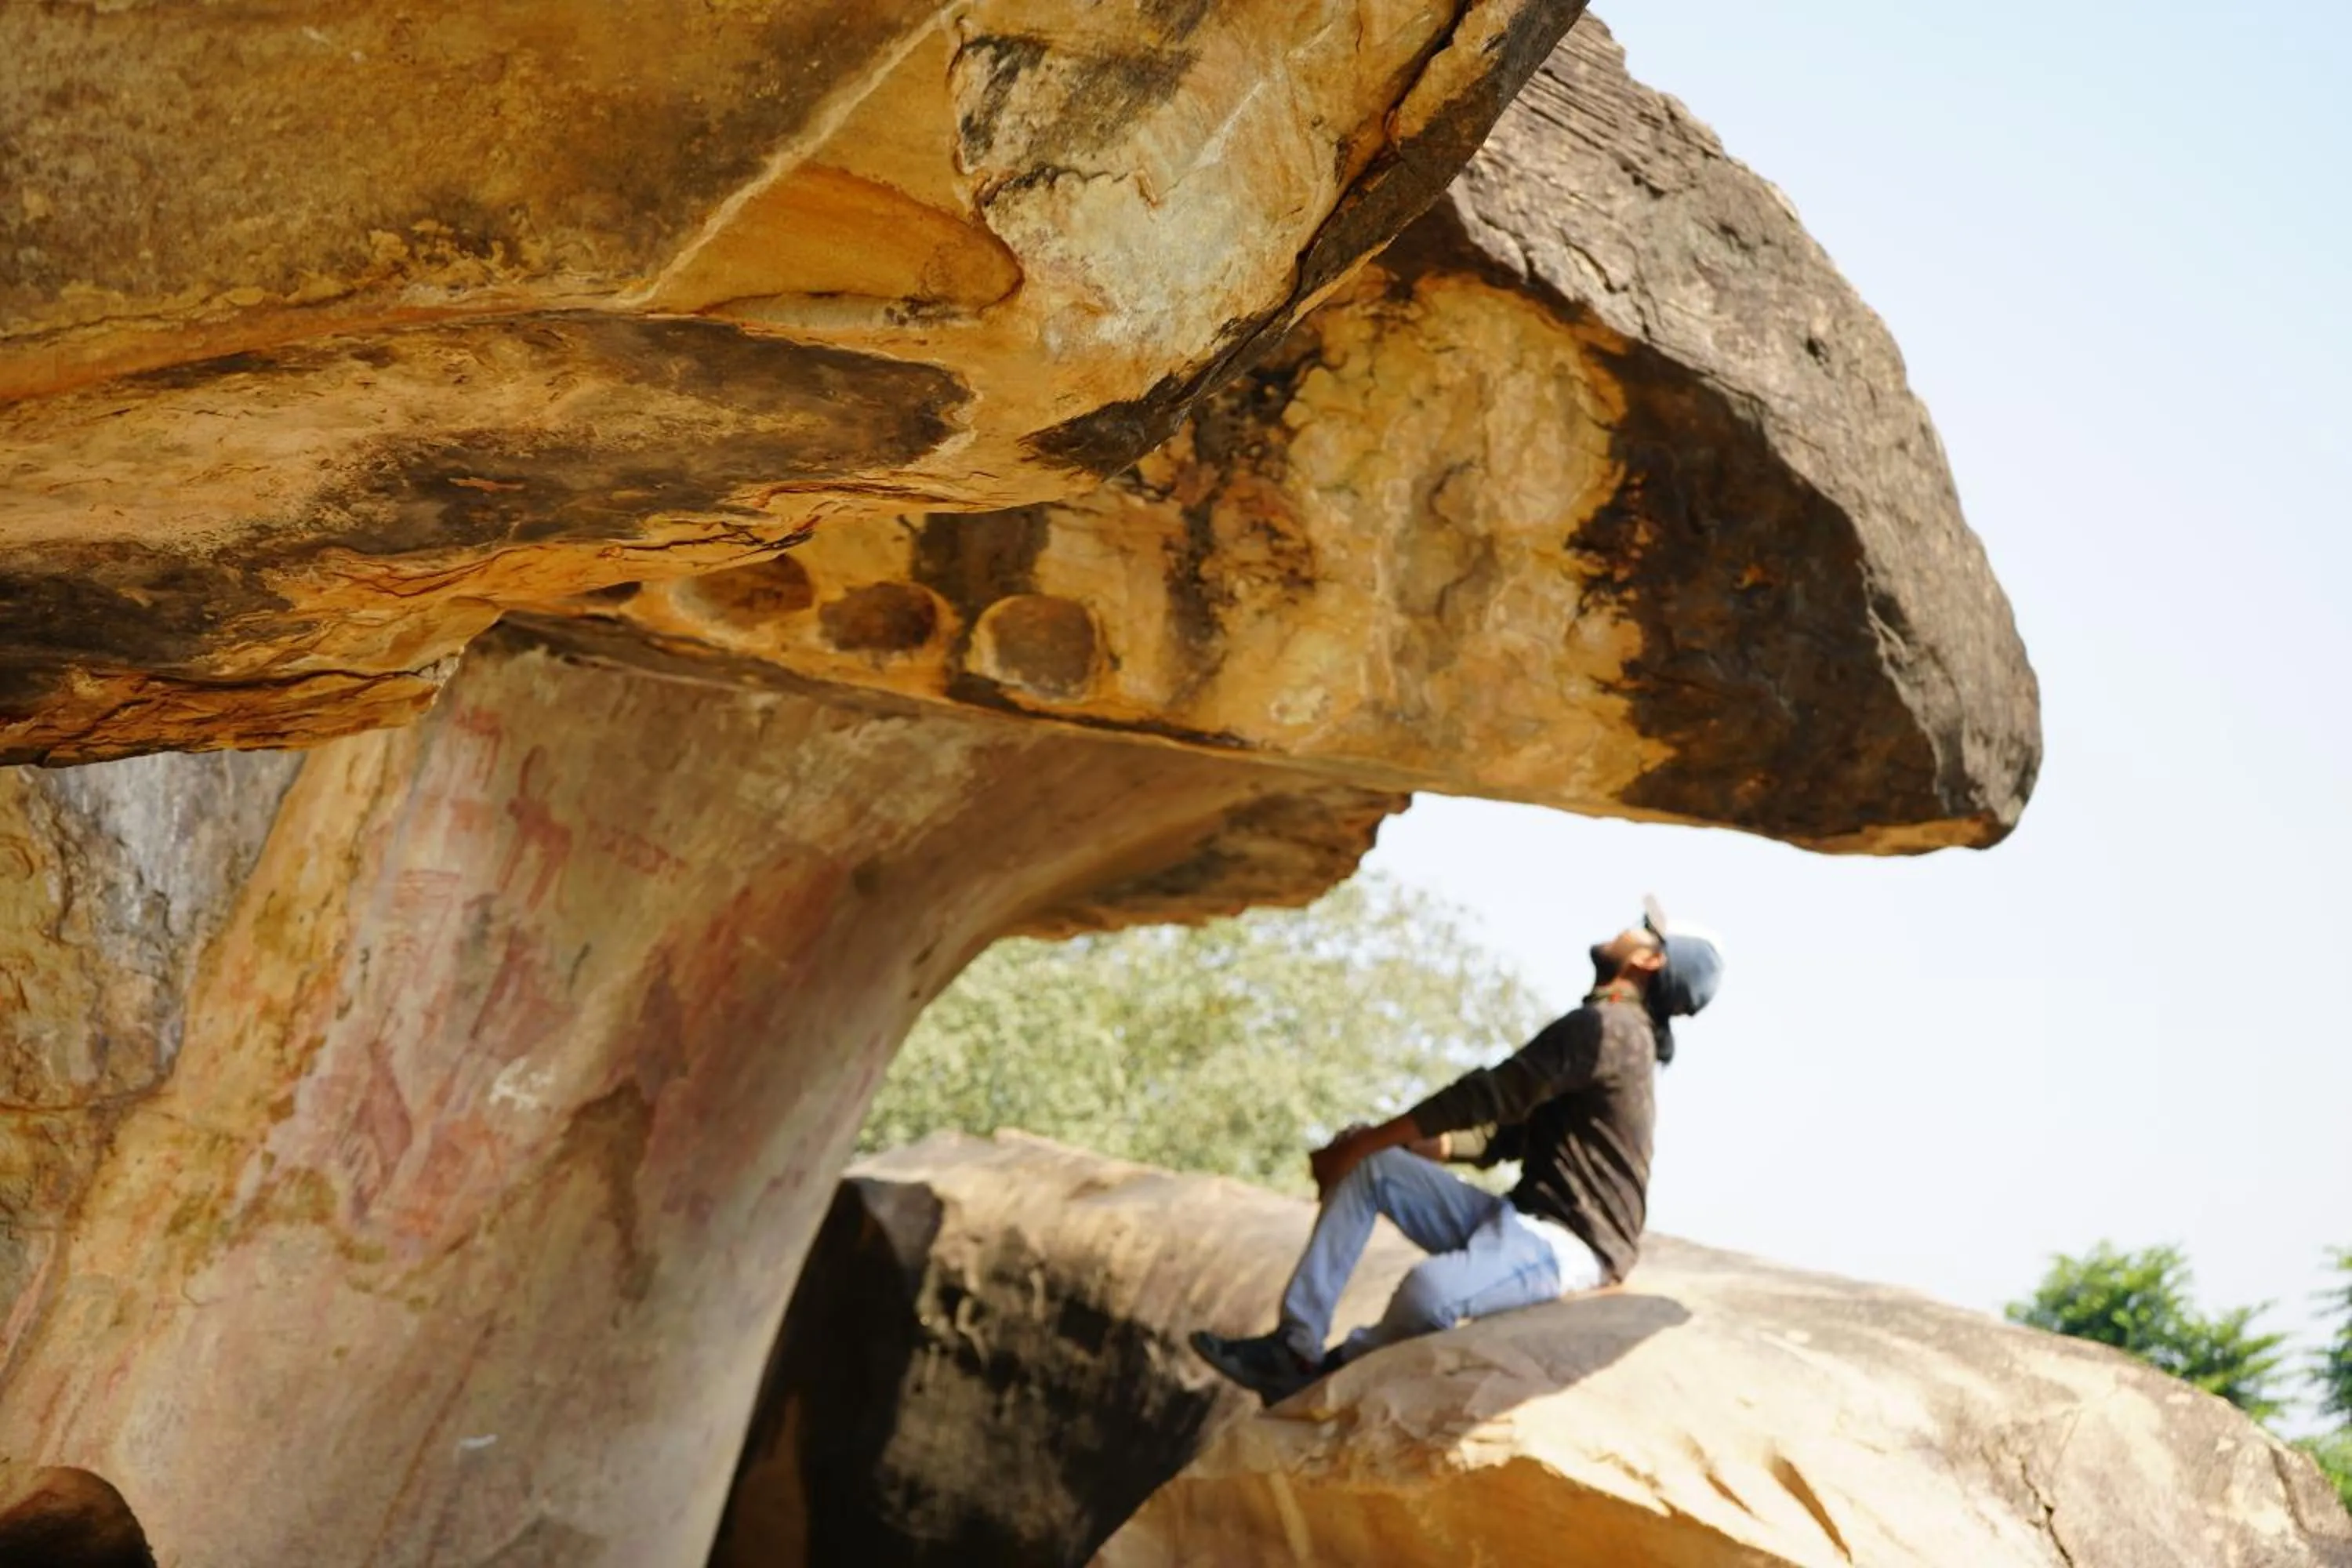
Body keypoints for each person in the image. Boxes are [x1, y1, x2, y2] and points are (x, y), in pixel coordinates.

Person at [1192, 897, 1724, 1404]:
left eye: (1644, 928)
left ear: (1650, 959)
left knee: (1429, 1293)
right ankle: (1292, 1349)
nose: (1627, 927)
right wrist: (1372, 1148)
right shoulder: (1610, 1029)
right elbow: (1501, 1135)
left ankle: (1331, 1373)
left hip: (1573, 1245)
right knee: (1374, 1171)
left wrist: (1370, 1138)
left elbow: (1489, 1095)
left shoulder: (1611, 1029)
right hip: (1521, 1219)